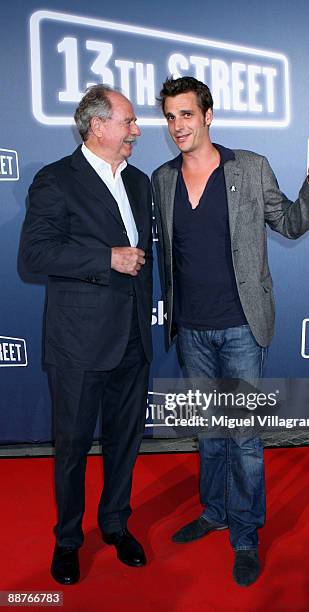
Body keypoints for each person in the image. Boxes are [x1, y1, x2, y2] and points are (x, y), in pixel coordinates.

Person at [152, 76, 309, 587]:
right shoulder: (162, 178)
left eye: (186, 114)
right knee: (209, 434)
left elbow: (291, 223)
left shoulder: (249, 168)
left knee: (246, 439)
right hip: (191, 330)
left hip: (241, 328)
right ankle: (214, 513)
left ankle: (247, 534)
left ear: (208, 115)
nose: (177, 126)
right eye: (169, 117)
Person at [20, 85, 153, 585]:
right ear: (98, 126)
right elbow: (33, 256)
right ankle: (69, 540)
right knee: (73, 446)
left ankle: (116, 524)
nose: (137, 130)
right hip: (78, 343)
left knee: (124, 442)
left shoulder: (138, 182)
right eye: (130, 121)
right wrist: (105, 258)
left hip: (134, 337)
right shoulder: (56, 180)